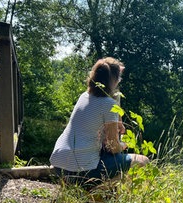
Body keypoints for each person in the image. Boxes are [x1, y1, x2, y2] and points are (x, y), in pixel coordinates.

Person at [50, 57, 149, 187]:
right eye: (118, 79)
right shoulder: (109, 104)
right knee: (143, 161)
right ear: (113, 80)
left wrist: (116, 121)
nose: (119, 82)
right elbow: (113, 147)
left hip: (59, 166)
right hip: (82, 171)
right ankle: (99, 192)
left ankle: (77, 187)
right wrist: (124, 144)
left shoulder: (84, 97)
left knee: (106, 158)